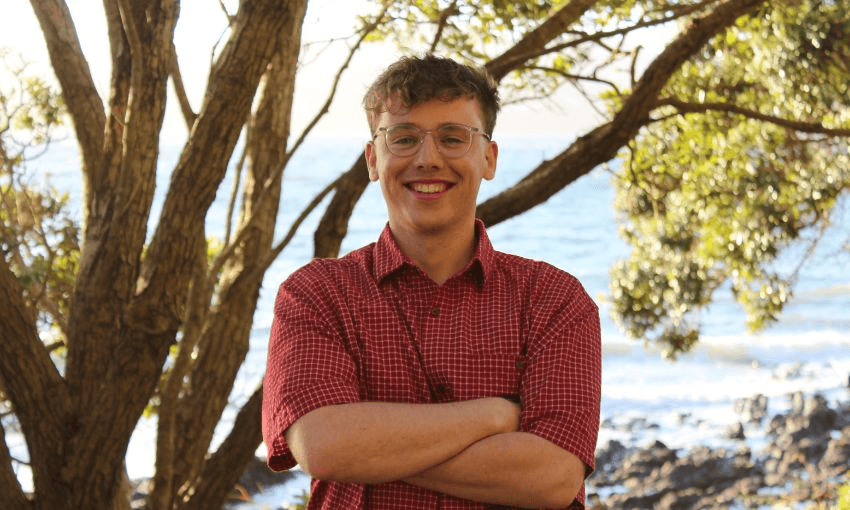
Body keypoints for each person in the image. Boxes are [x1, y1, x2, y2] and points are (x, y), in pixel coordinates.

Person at [262, 54, 601, 509]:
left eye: (452, 137)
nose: (428, 158)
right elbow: (322, 446)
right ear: (373, 158)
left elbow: (552, 477)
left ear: (488, 157)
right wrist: (496, 415)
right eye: (403, 138)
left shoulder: (555, 300)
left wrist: (369, 448)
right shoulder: (315, 294)